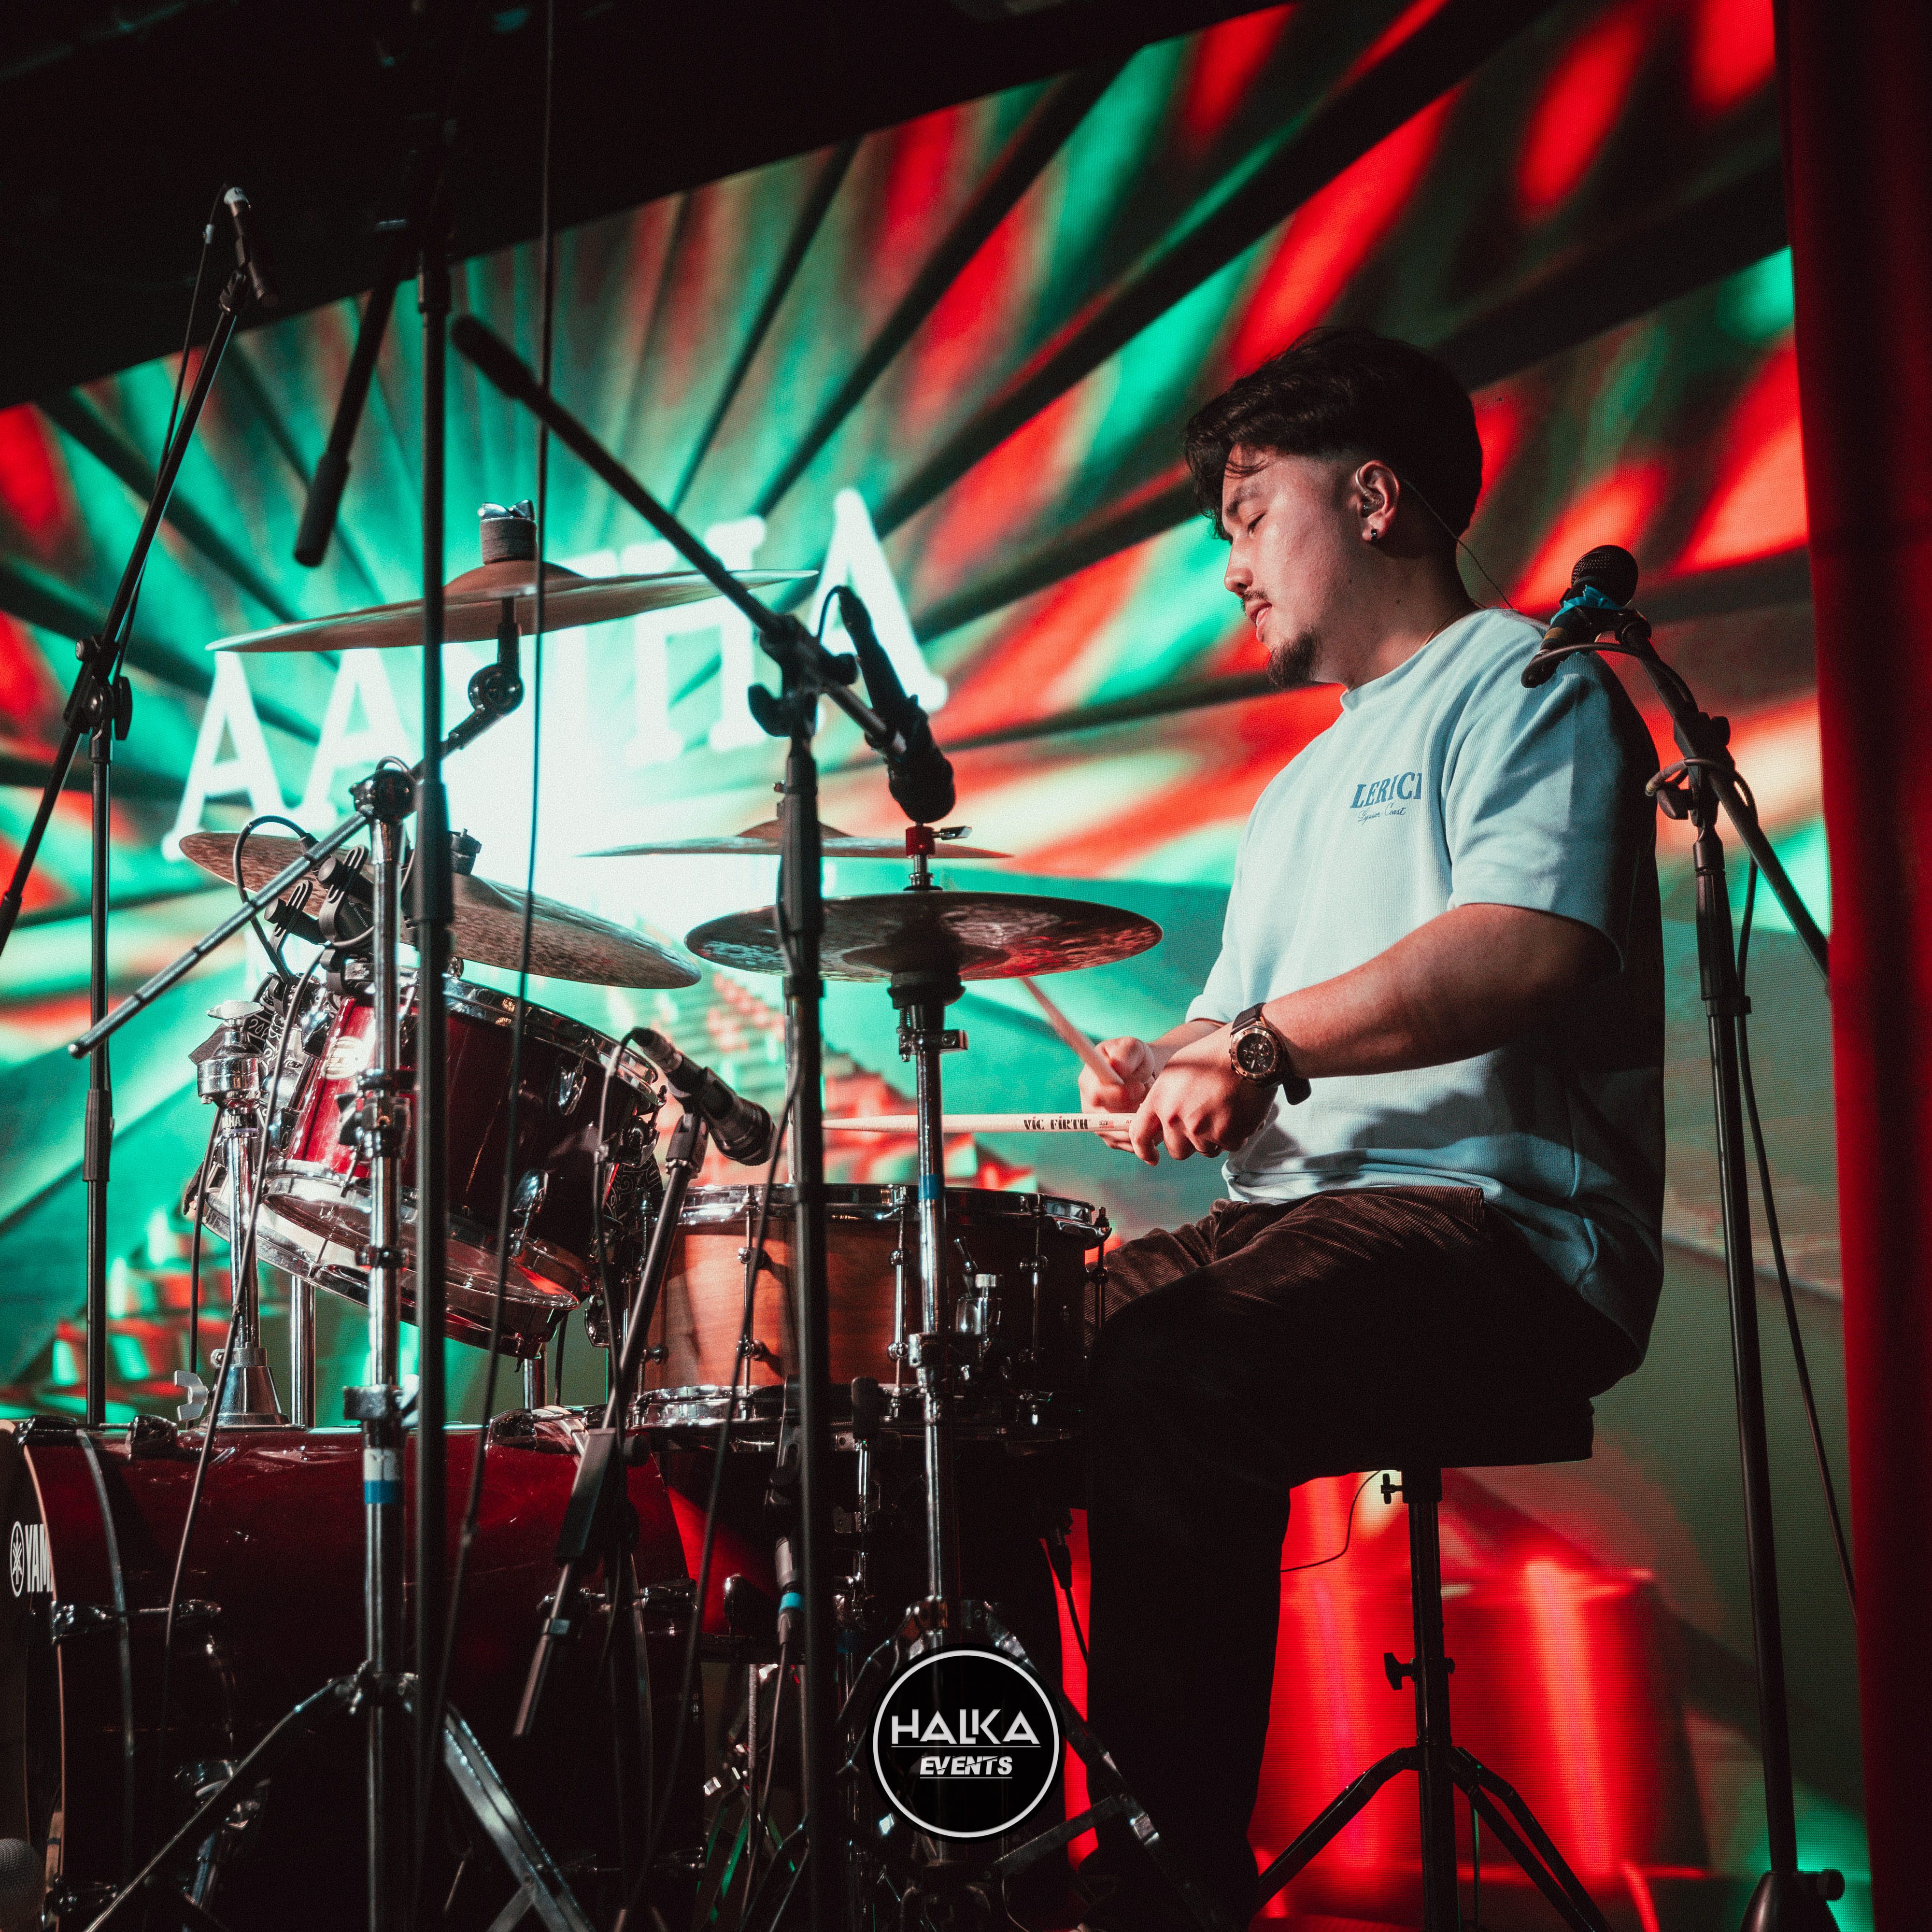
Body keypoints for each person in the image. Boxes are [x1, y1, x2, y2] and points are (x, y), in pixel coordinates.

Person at [1071, 327, 1664, 1932]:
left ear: (1379, 495)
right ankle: (1000, 1835)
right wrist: (1165, 1059)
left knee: (1167, 1369)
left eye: (1250, 518)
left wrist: (1255, 1045)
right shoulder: (1298, 791)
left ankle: (1158, 1887)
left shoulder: (1534, 682)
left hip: (1497, 1231)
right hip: (1300, 1227)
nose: (1232, 573)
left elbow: (1522, 948)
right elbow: (1240, 1035)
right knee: (1000, 1375)